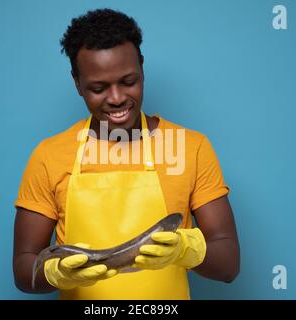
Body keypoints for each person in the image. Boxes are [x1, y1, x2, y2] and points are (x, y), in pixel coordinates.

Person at [13, 8, 240, 300]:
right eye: (99, 88)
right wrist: (56, 273)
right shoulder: (49, 156)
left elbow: (229, 264)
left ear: (142, 68)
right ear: (77, 83)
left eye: (128, 81)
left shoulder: (190, 148)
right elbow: (23, 268)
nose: (117, 98)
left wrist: (186, 250)